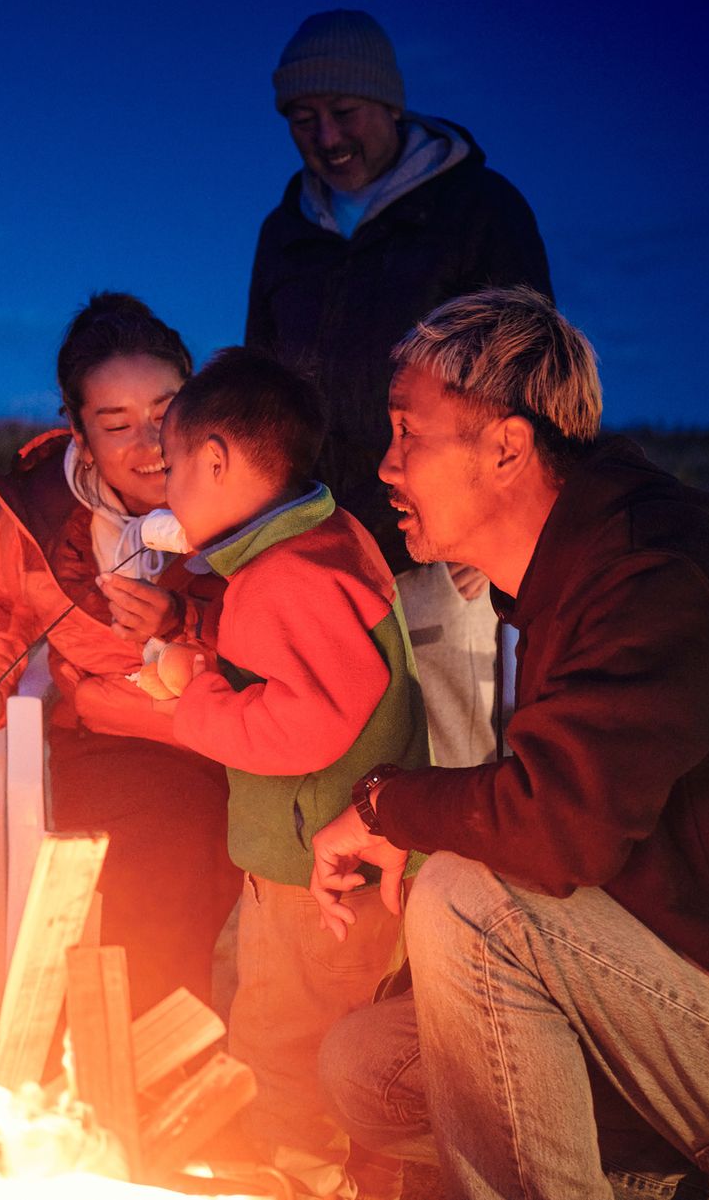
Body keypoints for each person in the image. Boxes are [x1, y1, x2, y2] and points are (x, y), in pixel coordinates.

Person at [310, 288, 709, 1199]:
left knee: (463, 895)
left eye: (409, 433)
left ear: (506, 447)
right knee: (364, 1065)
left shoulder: (658, 578)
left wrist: (391, 804)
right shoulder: (569, 581)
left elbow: (556, 828)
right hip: (690, 987)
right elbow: (566, 816)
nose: (386, 463)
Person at [84, 348, 426, 1199]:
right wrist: (200, 659)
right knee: (304, 1023)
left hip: (318, 869)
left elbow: (303, 727)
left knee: (285, 1042)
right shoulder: (323, 539)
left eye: (174, 469)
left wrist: (191, 695)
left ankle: (300, 1179)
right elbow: (307, 680)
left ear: (217, 461)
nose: (167, 493)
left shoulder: (287, 577)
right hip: (328, 853)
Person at [245, 8, 552, 768]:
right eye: (303, 119)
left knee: (446, 757)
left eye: (343, 113)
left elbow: (530, 381)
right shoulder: (284, 233)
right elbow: (262, 383)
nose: (327, 138)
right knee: (333, 762)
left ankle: (459, 892)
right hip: (313, 543)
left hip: (439, 547)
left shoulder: (480, 212)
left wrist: (494, 520)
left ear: (390, 105)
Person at [0, 292, 241, 1015]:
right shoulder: (42, 518)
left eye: (167, 411)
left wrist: (187, 617)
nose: (150, 442)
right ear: (77, 430)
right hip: (122, 743)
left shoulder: (249, 488)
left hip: (251, 728)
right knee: (159, 864)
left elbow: (295, 616)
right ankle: (149, 1075)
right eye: (116, 424)